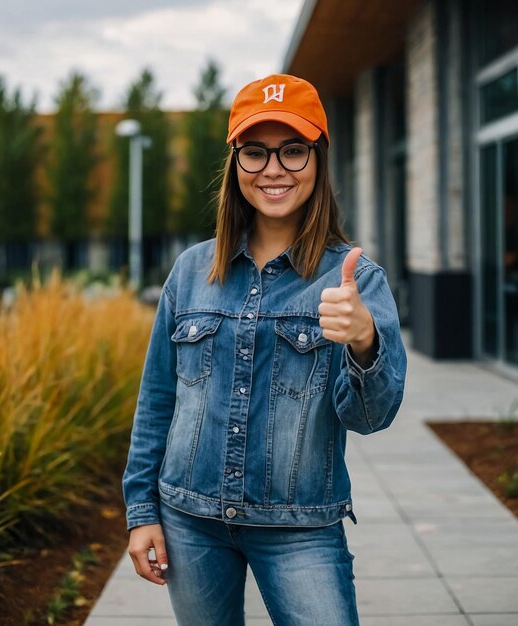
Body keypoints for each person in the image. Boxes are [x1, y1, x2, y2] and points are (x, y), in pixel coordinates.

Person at [123, 73, 407, 626]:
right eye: (255, 153)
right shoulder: (190, 272)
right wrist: (141, 512)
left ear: (318, 161)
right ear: (235, 165)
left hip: (301, 528)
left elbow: (372, 417)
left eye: (293, 151)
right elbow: (157, 400)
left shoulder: (354, 278)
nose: (273, 169)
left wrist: (365, 341)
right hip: (190, 520)